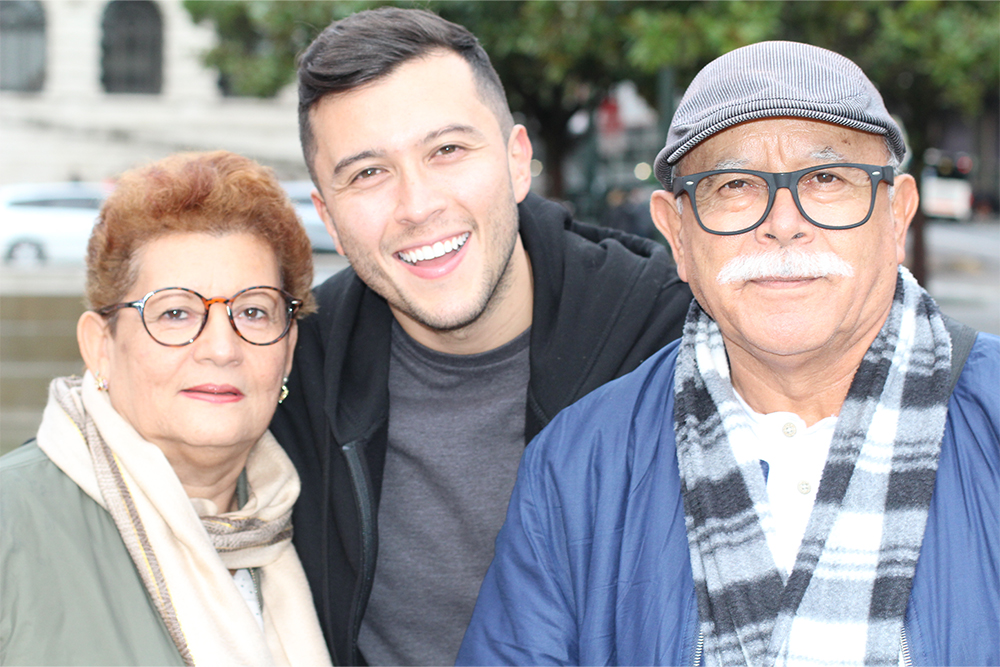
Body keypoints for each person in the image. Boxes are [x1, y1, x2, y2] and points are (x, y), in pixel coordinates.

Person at [458, 41, 999, 666]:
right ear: (677, 235)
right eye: (735, 185)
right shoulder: (577, 468)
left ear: (896, 215)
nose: (784, 222)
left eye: (825, 179)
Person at [269, 7, 692, 665]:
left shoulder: (670, 331)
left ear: (517, 161)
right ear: (326, 212)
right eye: (367, 173)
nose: (417, 204)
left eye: (447, 150)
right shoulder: (293, 369)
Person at [0, 151, 332, 666]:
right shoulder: (11, 523)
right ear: (101, 347)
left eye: (253, 311)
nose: (221, 348)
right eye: (175, 313)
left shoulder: (322, 533)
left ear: (287, 353)